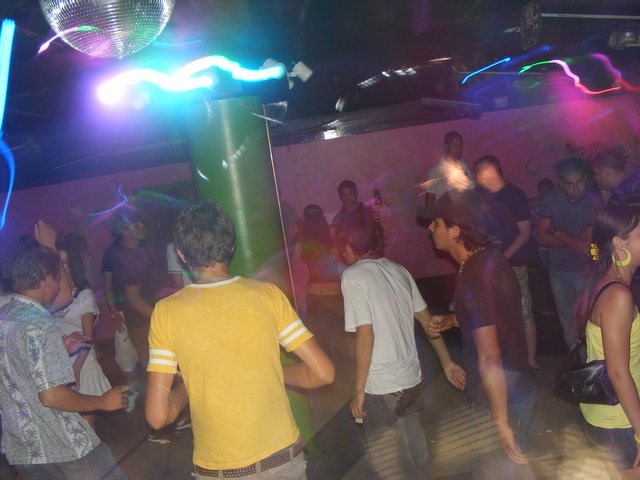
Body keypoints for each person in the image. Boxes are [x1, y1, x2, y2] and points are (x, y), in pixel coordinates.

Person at [145, 202, 335, 479]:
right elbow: (323, 373)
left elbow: (158, 416)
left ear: (182, 255)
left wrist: (188, 385)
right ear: (231, 246)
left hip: (221, 470)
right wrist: (272, 372)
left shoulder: (166, 312)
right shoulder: (267, 294)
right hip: (283, 461)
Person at [338, 217, 465, 478]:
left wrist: (359, 391)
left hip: (381, 387)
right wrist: (447, 362)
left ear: (352, 244)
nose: (341, 252)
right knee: (417, 455)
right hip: (411, 380)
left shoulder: (353, 276)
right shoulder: (399, 270)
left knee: (391, 465)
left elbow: (365, 335)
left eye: (342, 245)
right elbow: (430, 323)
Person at [422, 190, 536, 480]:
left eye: (436, 222)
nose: (430, 228)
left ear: (455, 231)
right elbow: (492, 317)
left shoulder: (473, 277)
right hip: (518, 387)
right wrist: (452, 320)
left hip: (497, 399)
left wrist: (500, 422)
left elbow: (489, 358)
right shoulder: (491, 259)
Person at [0, 224, 128, 480]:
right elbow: (52, 396)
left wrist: (60, 348)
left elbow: (19, 367)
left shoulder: (5, 314)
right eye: (59, 279)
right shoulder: (40, 322)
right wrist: (103, 402)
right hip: (64, 446)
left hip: (23, 448)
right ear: (49, 281)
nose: (62, 284)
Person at [579, 203, 640, 472]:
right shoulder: (618, 295)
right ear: (619, 242)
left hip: (607, 413)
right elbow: (617, 372)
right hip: (619, 420)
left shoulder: (604, 279)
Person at [474, 155, 539, 373]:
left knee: (524, 313)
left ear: (490, 171)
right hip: (490, 267)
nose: (476, 178)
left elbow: (525, 232)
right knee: (497, 315)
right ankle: (507, 362)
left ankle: (531, 361)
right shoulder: (483, 198)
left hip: (514, 265)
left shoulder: (515, 195)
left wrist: (503, 258)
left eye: (478, 173)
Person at [536, 158, 603, 348]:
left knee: (589, 322)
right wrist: (574, 242)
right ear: (561, 184)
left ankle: (591, 361)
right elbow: (540, 237)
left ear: (586, 179)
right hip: (558, 269)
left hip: (585, 270)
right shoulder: (551, 199)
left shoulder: (594, 201)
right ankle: (576, 362)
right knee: (568, 325)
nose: (576, 188)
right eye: (570, 184)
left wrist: (557, 232)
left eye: (580, 181)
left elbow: (592, 244)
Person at [101, 210, 158, 411]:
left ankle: (148, 403)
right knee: (131, 361)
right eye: (136, 224)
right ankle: (146, 404)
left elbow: (150, 282)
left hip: (146, 310)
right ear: (124, 230)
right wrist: (114, 312)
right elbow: (108, 286)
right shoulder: (114, 253)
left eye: (141, 222)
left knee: (149, 362)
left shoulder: (144, 249)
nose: (142, 226)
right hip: (131, 315)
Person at [54, 240, 112, 429]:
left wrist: (77, 370)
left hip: (82, 361)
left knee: (86, 418)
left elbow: (88, 337)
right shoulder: (52, 297)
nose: (61, 266)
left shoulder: (84, 295)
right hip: (61, 360)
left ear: (73, 266)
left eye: (65, 262)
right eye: (58, 262)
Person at [296, 204, 343, 360]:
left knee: (324, 341)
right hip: (330, 291)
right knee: (336, 337)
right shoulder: (329, 232)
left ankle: (330, 370)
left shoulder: (305, 238)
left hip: (316, 293)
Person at [424, 130, 474, 205]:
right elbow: (429, 201)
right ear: (446, 147)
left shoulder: (464, 167)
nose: (459, 148)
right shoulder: (434, 172)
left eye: (460, 145)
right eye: (455, 145)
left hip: (464, 210)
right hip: (445, 211)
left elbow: (472, 191)